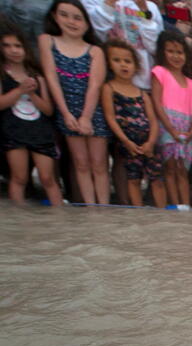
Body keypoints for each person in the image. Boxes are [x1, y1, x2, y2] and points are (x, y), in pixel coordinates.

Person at [39, 0, 112, 204]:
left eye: (77, 17)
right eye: (64, 15)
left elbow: (95, 85)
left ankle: (104, 208)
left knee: (99, 164)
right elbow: (52, 79)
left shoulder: (95, 50)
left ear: (87, 24)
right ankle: (90, 207)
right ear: (54, 16)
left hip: (93, 110)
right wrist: (66, 114)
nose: (71, 21)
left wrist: (86, 117)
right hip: (66, 109)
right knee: (80, 163)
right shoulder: (47, 41)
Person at [0, 24, 62, 206]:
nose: (14, 51)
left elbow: (49, 110)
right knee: (19, 177)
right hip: (13, 131)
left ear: (26, 49)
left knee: (48, 178)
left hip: (40, 131)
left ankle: (60, 215)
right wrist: (20, 90)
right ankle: (20, 218)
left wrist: (33, 93)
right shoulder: (3, 76)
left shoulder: (38, 76)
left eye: (18, 46)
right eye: (7, 46)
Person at [101, 38, 165, 206]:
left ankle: (164, 214)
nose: (123, 65)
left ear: (136, 66)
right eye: (117, 60)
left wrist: (151, 142)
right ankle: (138, 213)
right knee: (133, 179)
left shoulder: (143, 93)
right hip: (128, 143)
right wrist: (126, 142)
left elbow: (152, 120)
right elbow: (110, 118)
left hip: (149, 142)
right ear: (109, 64)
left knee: (157, 179)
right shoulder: (109, 88)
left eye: (128, 61)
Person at [151, 28, 192, 206]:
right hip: (167, 125)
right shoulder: (159, 72)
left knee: (182, 169)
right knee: (170, 167)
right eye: (170, 51)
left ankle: (185, 205)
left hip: (186, 128)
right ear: (162, 52)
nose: (175, 56)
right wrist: (170, 129)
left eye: (179, 52)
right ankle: (174, 205)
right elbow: (156, 103)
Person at [82, 0, 162, 91]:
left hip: (143, 82)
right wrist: (109, 4)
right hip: (110, 82)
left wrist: (144, 10)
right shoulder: (93, 2)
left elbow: (155, 48)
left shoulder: (151, 7)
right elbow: (96, 36)